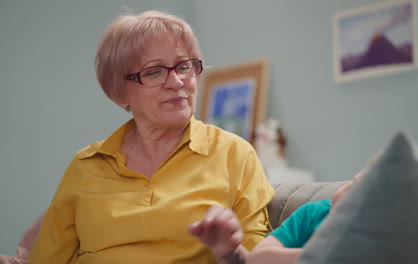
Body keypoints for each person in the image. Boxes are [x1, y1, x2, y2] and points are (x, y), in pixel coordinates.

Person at [28, 10, 274, 264]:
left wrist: (230, 251)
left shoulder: (235, 155)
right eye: (155, 72)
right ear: (120, 91)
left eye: (184, 66)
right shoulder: (86, 165)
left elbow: (259, 259)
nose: (176, 81)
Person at [189, 148, 418, 264]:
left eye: (365, 196)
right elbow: (260, 260)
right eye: (355, 182)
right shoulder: (315, 213)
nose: (347, 194)